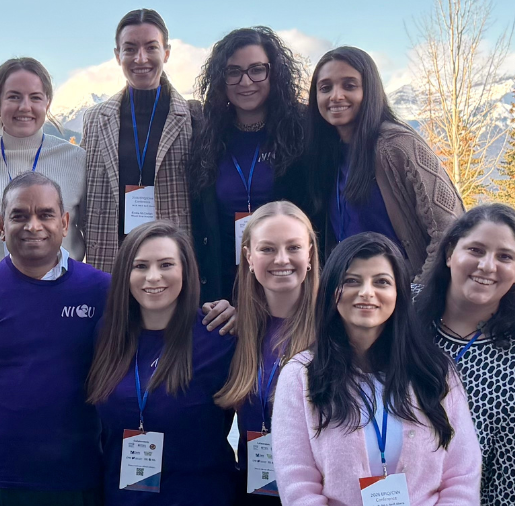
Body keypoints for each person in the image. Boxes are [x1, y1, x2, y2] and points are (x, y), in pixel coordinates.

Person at [0, 171, 110, 506]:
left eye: (46, 214)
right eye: (19, 216)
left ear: (65, 223)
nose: (33, 226)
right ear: (1, 226)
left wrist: (212, 311)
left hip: (81, 481)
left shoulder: (102, 290)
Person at [271, 232, 480, 506]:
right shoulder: (301, 376)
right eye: (351, 281)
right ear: (331, 291)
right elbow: (298, 485)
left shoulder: (435, 371)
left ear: (399, 293)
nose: (367, 292)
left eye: (381, 281)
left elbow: (462, 478)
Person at [411, 204, 515, 506]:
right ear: (450, 252)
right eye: (476, 250)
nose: (487, 266)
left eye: (504, 256)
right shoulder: (400, 317)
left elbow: (512, 491)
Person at [85, 222, 237, 506]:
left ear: (186, 270)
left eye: (166, 264)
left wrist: (243, 317)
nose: (153, 277)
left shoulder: (218, 336)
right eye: (140, 266)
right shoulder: (107, 334)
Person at [187, 28, 315, 304]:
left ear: (274, 73)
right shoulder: (207, 136)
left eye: (257, 70)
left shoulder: (303, 131)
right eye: (233, 72)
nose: (245, 81)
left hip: (288, 284)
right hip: (224, 290)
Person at [309, 47, 463, 276]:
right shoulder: (326, 153)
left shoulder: (397, 145)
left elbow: (451, 228)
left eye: (349, 86)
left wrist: (419, 290)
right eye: (325, 88)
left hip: (403, 290)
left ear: (370, 90)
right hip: (351, 290)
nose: (336, 96)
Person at [214, 201, 320, 503]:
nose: (281, 259)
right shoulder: (235, 330)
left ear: (310, 254)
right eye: (268, 249)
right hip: (252, 490)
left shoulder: (332, 333)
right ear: (249, 257)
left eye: (293, 247)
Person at [81, 9, 193, 274]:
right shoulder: (95, 119)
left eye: (151, 47)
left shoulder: (194, 117)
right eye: (130, 49)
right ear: (117, 55)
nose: (140, 58)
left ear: (166, 53)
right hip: (110, 259)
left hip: (170, 263)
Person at [0, 57, 89, 266]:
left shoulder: (76, 159)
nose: (24, 107)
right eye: (14, 97)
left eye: (35, 97)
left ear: (47, 103)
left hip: (65, 284)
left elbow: (90, 229)